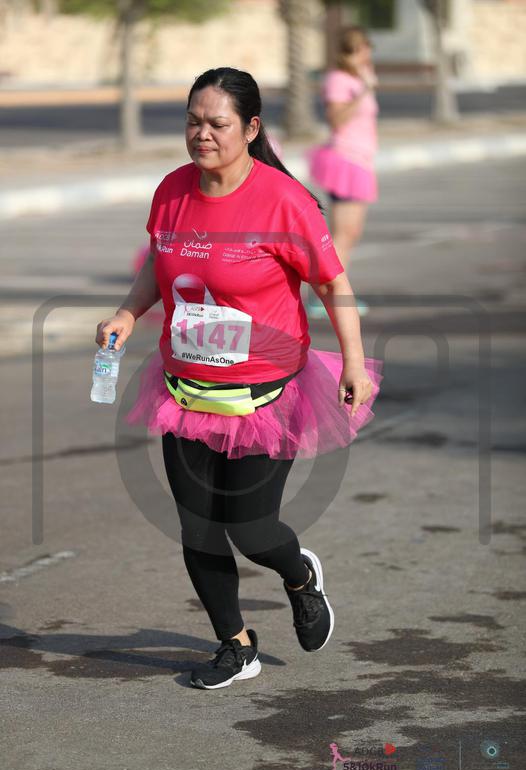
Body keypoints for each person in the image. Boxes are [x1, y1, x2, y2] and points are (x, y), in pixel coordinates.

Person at [95, 67, 383, 691]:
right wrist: (127, 313)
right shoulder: (172, 190)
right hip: (186, 391)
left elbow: (332, 283)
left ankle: (299, 576)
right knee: (198, 529)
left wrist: (354, 361)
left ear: (251, 129)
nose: (202, 134)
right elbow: (158, 263)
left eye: (217, 124)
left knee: (251, 530)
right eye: (193, 122)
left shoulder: (284, 201)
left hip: (265, 395)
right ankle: (236, 645)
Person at [308, 26, 379, 319]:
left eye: (366, 49)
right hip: (345, 160)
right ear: (349, 52)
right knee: (343, 234)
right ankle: (327, 297)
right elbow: (336, 119)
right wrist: (364, 92)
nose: (366, 55)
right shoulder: (338, 80)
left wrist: (365, 85)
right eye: (360, 49)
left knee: (351, 233)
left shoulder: (358, 77)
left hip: (361, 161)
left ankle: (333, 294)